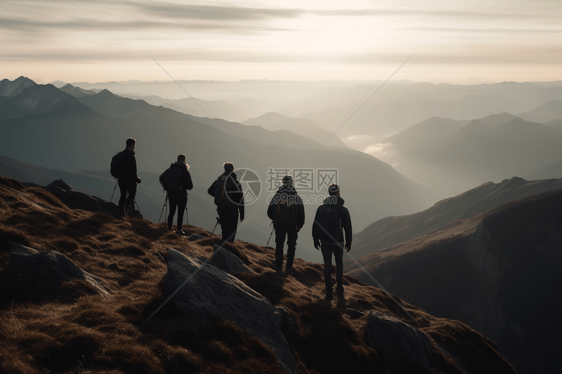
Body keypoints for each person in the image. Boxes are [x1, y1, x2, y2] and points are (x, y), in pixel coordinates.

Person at [312, 184, 352, 300]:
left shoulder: (321, 208)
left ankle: (329, 292)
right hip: (338, 242)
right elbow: (348, 228)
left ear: (329, 193)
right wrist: (348, 243)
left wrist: (315, 239)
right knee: (339, 263)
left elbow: (315, 225)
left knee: (327, 266)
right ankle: (339, 288)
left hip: (324, 242)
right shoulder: (343, 210)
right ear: (338, 193)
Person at [267, 175, 305, 274]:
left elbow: (269, 211)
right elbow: (301, 216)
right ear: (291, 183)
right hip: (292, 226)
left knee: (279, 244)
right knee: (291, 246)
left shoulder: (277, 196)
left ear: (283, 182)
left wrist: (276, 219)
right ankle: (288, 267)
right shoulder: (296, 197)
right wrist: (298, 226)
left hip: (279, 225)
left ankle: (279, 266)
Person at [207, 162, 245, 242]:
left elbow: (210, 191)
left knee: (224, 229)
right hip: (232, 209)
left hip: (221, 208)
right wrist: (242, 213)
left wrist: (220, 196)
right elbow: (240, 199)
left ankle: (223, 246)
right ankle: (229, 247)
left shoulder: (219, 180)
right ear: (232, 170)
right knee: (231, 230)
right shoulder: (235, 182)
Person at [163, 154, 193, 234]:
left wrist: (168, 188)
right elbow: (190, 186)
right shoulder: (185, 171)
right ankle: (179, 229)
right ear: (184, 161)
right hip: (182, 196)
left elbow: (162, 177)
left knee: (171, 212)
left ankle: (169, 228)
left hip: (171, 195)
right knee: (180, 213)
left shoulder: (171, 169)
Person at [118, 138, 141, 217]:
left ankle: (120, 211)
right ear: (132, 145)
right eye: (134, 145)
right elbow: (132, 170)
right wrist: (137, 179)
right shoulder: (130, 156)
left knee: (123, 195)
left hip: (121, 179)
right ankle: (124, 210)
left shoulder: (122, 154)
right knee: (131, 195)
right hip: (129, 181)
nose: (134, 147)